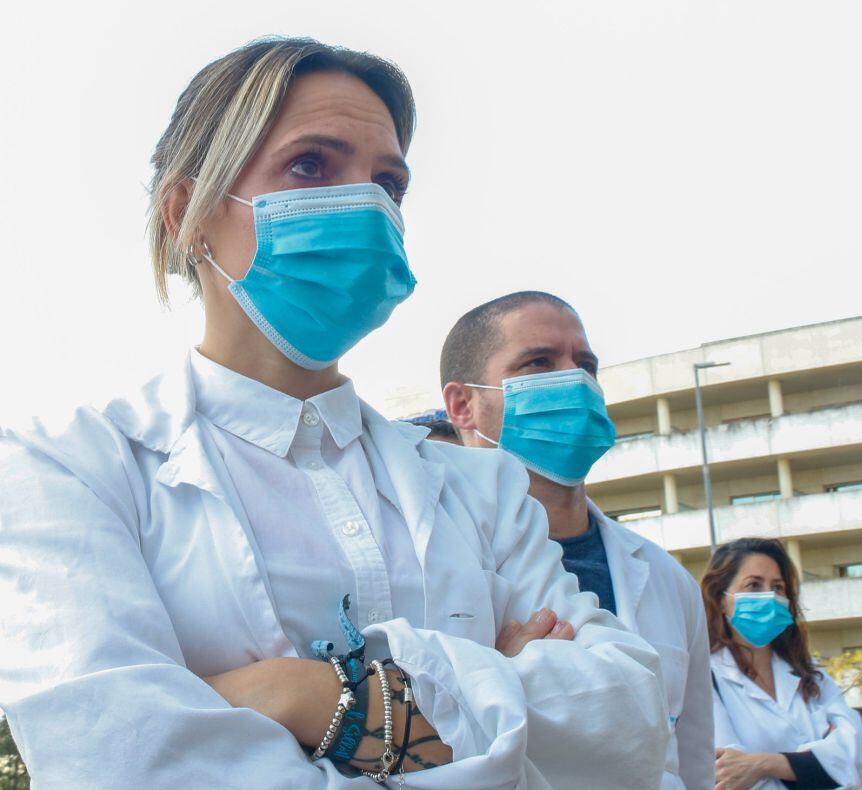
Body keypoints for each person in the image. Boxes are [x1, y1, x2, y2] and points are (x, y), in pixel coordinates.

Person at [0, 37, 671, 788]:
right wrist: (486, 690)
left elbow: (629, 723)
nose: (367, 206)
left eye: (388, 183)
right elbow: (121, 760)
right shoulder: (71, 470)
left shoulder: (480, 489)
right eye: (311, 165)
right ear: (189, 213)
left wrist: (308, 695)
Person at [440, 291, 714, 789]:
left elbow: (692, 760)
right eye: (539, 363)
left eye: (586, 365)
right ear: (463, 405)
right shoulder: (427, 563)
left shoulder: (668, 579)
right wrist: (493, 682)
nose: (576, 380)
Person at [701, 537, 862, 789]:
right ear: (721, 599)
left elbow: (855, 758)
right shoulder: (705, 677)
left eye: (778, 587)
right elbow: (728, 776)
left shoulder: (810, 673)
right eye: (754, 585)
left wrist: (764, 764)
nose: (769, 596)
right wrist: (820, 764)